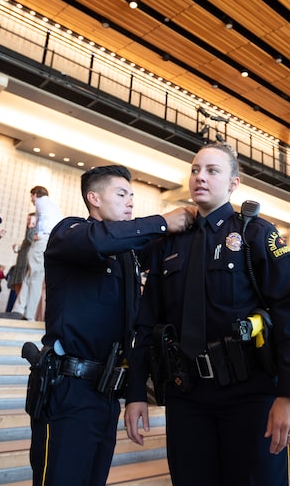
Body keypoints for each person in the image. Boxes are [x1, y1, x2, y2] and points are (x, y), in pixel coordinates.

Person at [124, 142, 290, 485]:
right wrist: (136, 391)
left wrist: (289, 394)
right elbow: (146, 322)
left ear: (233, 184)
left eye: (212, 171)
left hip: (250, 394)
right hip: (187, 396)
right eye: (195, 170)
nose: (200, 177)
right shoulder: (168, 243)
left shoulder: (255, 233)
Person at [28, 165, 192, 485]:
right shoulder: (70, 232)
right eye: (121, 194)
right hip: (69, 389)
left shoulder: (126, 256)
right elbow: (98, 242)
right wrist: (162, 222)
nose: (130, 201)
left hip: (106, 393)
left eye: (132, 195)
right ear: (94, 198)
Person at [14, 186, 62, 321]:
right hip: (50, 241)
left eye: (31, 196)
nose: (31, 200)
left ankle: (28, 314)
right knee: (31, 275)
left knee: (35, 278)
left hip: (43, 241)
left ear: (35, 194)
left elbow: (44, 218)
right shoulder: (52, 205)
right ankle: (19, 308)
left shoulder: (41, 202)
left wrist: (40, 233)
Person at [6, 212, 36, 313]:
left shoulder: (34, 231)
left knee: (23, 288)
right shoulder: (29, 231)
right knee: (17, 286)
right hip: (20, 263)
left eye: (30, 220)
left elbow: (30, 239)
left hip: (26, 265)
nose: (28, 222)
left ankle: (22, 311)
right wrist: (19, 249)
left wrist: (31, 227)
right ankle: (18, 310)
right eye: (27, 220)